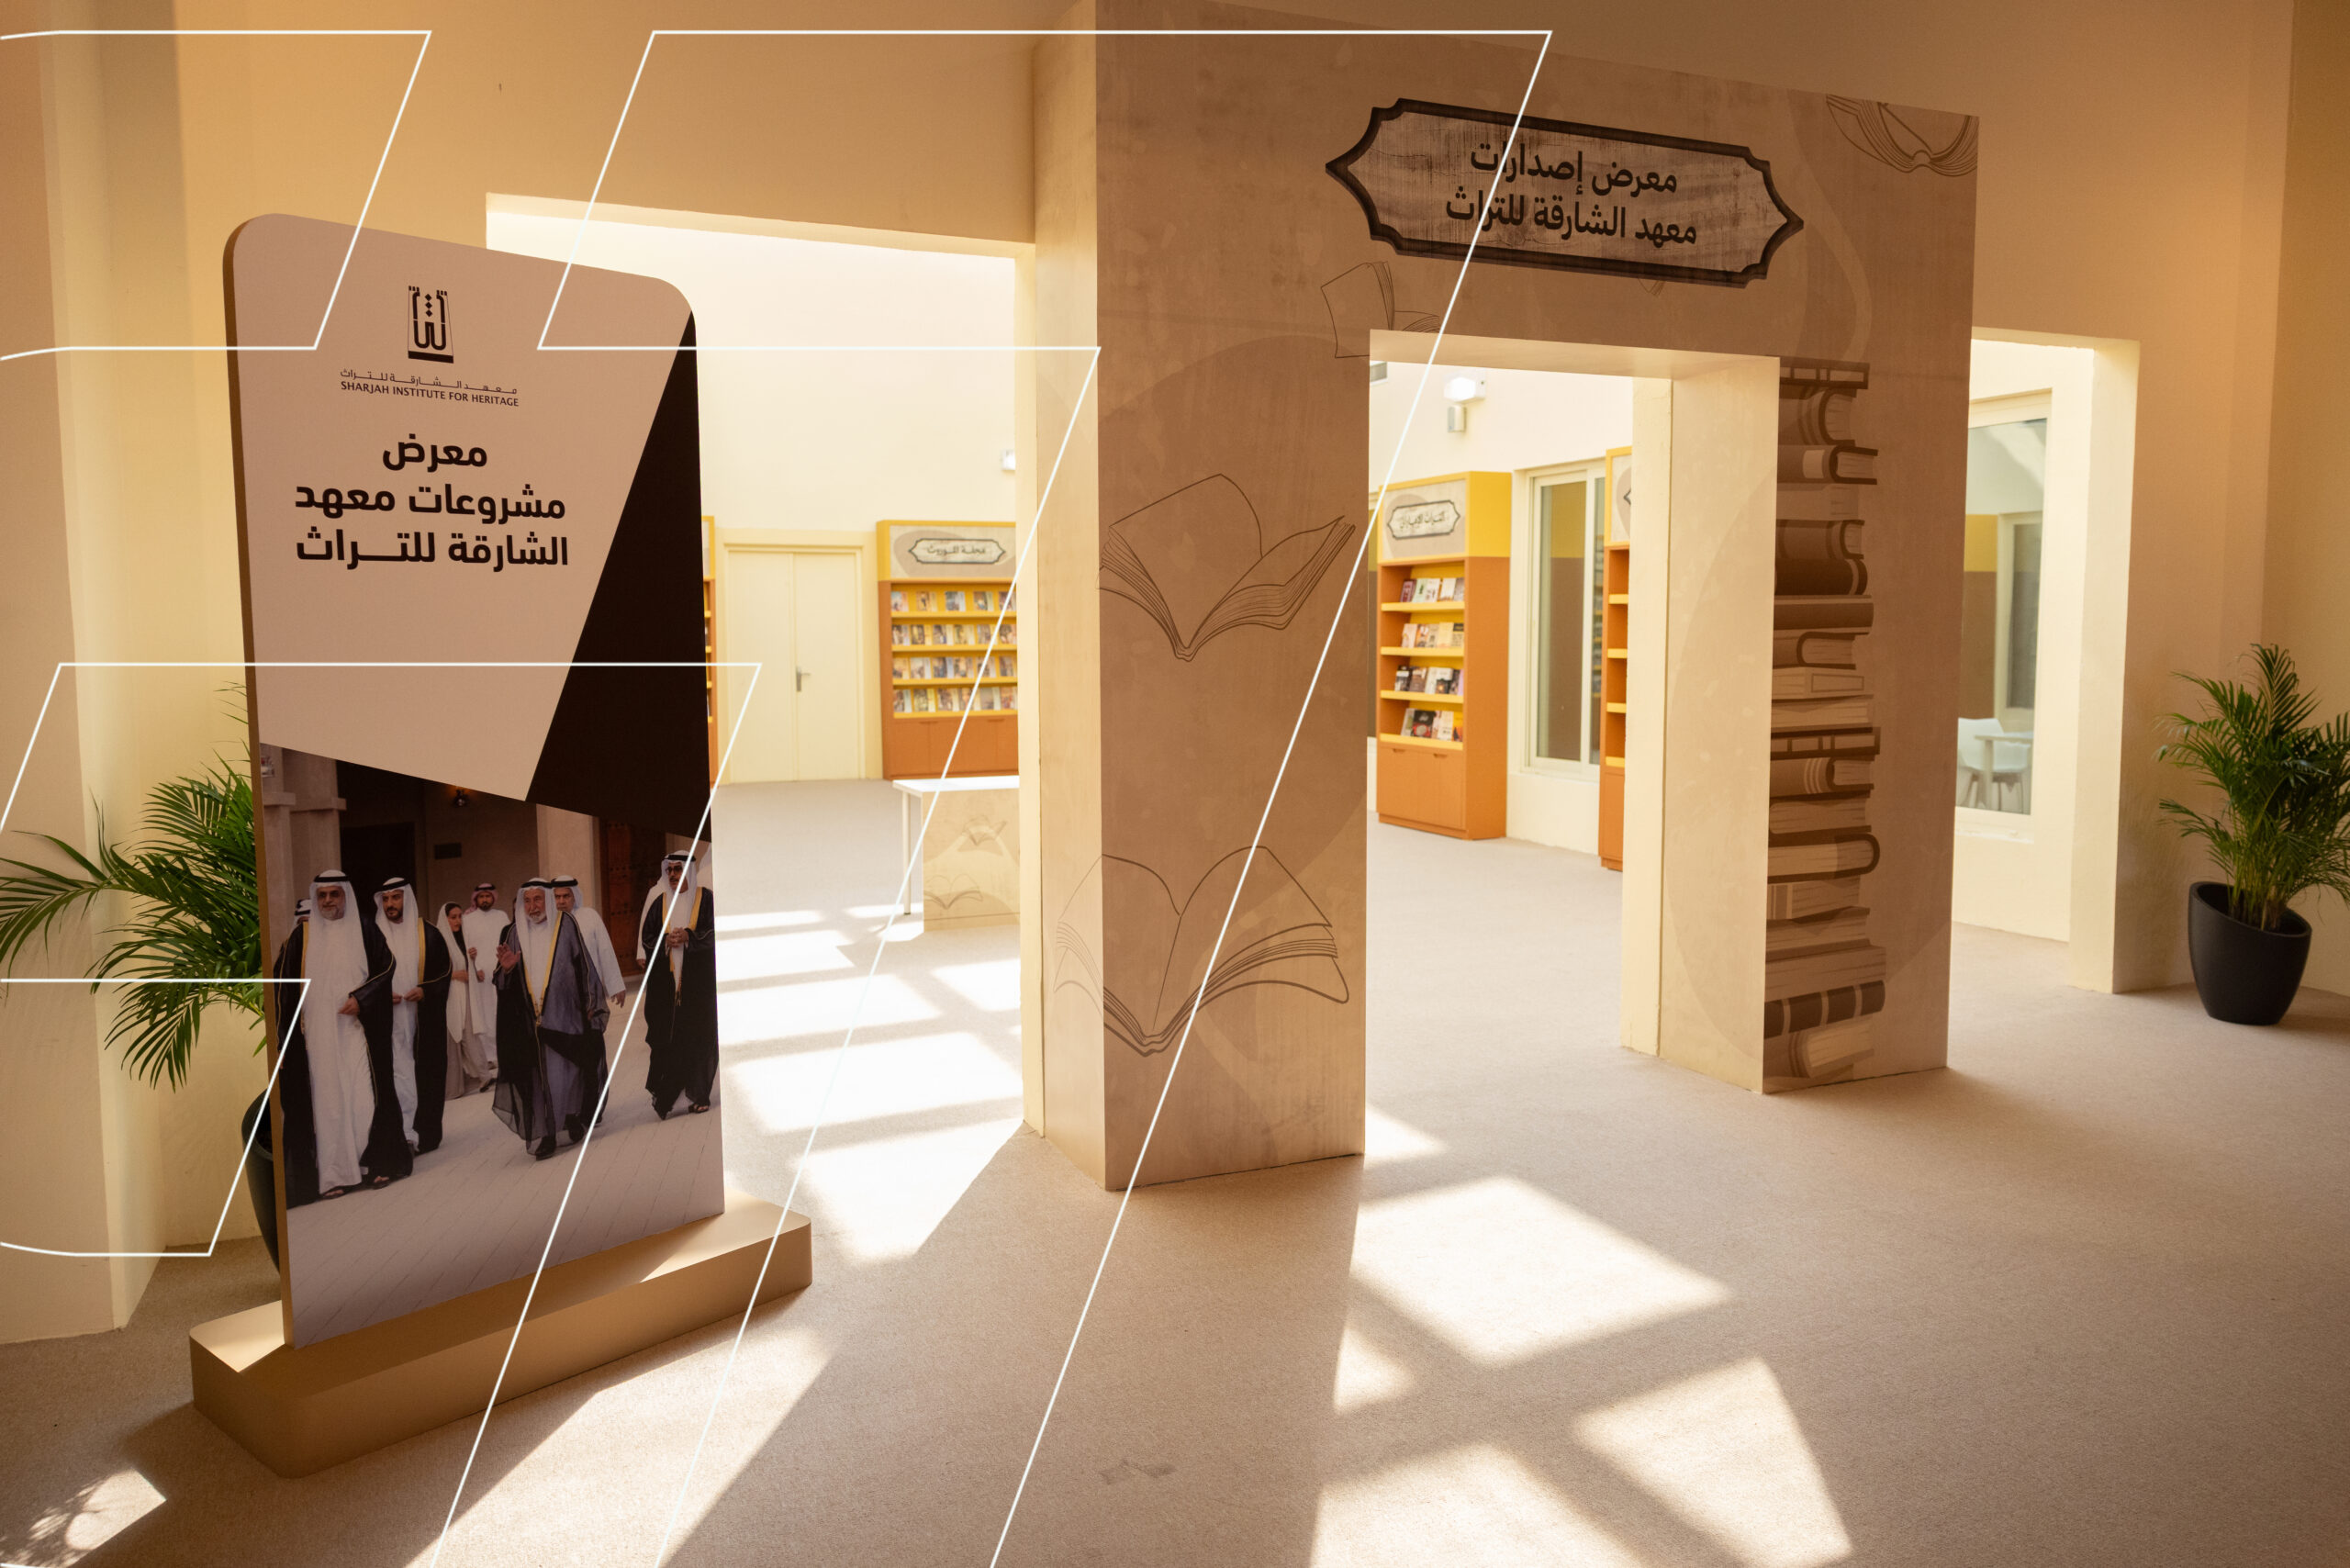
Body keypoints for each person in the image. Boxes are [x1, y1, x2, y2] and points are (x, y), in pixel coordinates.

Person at [271, 870, 409, 1203]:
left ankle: (375, 1164)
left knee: (364, 1096)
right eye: (322, 895)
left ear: (345, 895)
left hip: (357, 1031)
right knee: (328, 1104)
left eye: (334, 894)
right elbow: (283, 992)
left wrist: (362, 999)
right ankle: (336, 1175)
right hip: (318, 1038)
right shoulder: (300, 939)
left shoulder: (363, 928)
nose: (328, 901)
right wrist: (283, 1041)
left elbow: (386, 967)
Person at [492, 878, 610, 1159]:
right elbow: (501, 979)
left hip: (565, 1014)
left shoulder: (566, 924)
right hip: (528, 1021)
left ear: (546, 900)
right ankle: (546, 1134)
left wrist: (592, 1002)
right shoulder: (514, 932)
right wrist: (507, 970)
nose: (533, 907)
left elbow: (584, 965)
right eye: (527, 901)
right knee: (537, 1080)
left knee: (566, 1073)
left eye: (538, 900)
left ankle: (570, 1116)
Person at [373, 877, 453, 1154]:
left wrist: (425, 990)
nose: (390, 904)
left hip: (421, 1019)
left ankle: (424, 1133)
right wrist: (379, 996)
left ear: (407, 899)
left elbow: (444, 972)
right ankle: (400, 1134)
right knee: (394, 1074)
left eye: (396, 897)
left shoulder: (428, 933)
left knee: (424, 1073)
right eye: (386, 899)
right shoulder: (373, 936)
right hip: (386, 1020)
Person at [638, 850, 717, 1119]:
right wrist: (665, 942)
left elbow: (715, 931)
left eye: (677, 869)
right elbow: (647, 937)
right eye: (669, 870)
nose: (672, 875)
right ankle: (666, 1096)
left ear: (689, 872)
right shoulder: (660, 902)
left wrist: (689, 937)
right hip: (667, 987)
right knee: (668, 1038)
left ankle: (699, 1095)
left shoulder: (706, 899)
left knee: (701, 1037)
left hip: (699, 985)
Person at [552, 875, 627, 1008]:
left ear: (574, 897)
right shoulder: (548, 923)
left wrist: (616, 985)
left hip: (589, 989)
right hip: (560, 994)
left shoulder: (589, 916)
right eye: (557, 897)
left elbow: (605, 951)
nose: (561, 901)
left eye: (566, 896)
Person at [458, 882, 506, 1092]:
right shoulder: (467, 920)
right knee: (483, 1013)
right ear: (475, 899)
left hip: (498, 971)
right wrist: (474, 967)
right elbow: (466, 948)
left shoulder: (501, 916)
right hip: (479, 975)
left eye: (488, 896)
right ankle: (486, 1056)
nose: (485, 900)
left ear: (493, 897)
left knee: (498, 1011)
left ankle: (499, 1054)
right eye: (481, 897)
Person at [441, 901, 491, 1092]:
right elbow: (433, 972)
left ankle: (484, 1075)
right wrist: (454, 975)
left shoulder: (461, 939)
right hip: (450, 996)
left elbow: (465, 967)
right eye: (453, 917)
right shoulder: (439, 941)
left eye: (460, 916)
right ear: (445, 919)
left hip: (465, 993)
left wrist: (473, 962)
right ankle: (466, 1080)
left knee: (470, 1034)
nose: (458, 921)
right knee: (457, 1037)